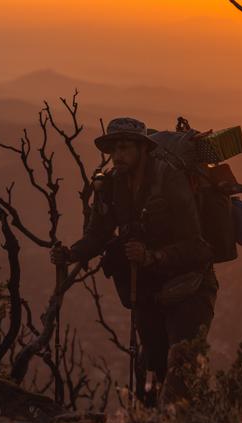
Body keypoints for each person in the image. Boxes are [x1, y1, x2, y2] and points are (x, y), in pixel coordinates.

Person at [50, 117, 217, 407]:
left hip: (189, 286)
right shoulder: (113, 185)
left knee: (183, 364)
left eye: (125, 148)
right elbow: (98, 234)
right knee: (152, 363)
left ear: (143, 149)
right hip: (149, 289)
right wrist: (72, 253)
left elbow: (198, 246)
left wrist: (154, 256)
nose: (117, 156)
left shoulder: (170, 180)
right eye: (113, 150)